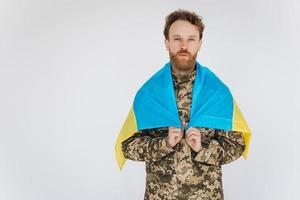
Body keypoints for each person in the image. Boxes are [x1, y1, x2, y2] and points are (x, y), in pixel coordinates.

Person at [121, 9, 246, 200]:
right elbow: (128, 146)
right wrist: (164, 144)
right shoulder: (149, 93)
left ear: (200, 44)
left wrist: (202, 148)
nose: (184, 46)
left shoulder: (217, 93)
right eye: (177, 38)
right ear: (167, 42)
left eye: (191, 39)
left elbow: (236, 146)